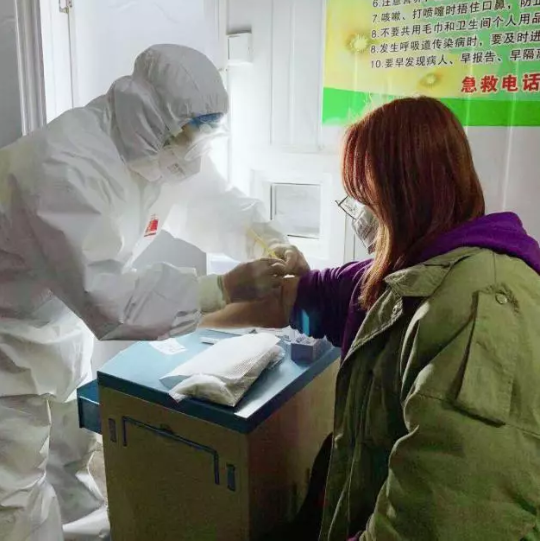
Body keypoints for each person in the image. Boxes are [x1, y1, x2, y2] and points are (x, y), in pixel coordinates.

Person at [0, 44, 308, 541]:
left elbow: (215, 204)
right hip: (8, 342)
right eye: (189, 133)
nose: (193, 146)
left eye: (203, 133)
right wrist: (224, 287)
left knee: (68, 456)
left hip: (56, 326)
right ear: (149, 115)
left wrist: (271, 241)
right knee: (13, 491)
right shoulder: (62, 167)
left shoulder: (161, 150)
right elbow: (112, 301)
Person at [201, 96, 540, 540]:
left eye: (364, 199)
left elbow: (438, 520)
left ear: (403, 195)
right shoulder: (408, 271)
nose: (359, 217)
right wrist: (193, 307)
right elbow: (289, 300)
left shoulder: (481, 307)